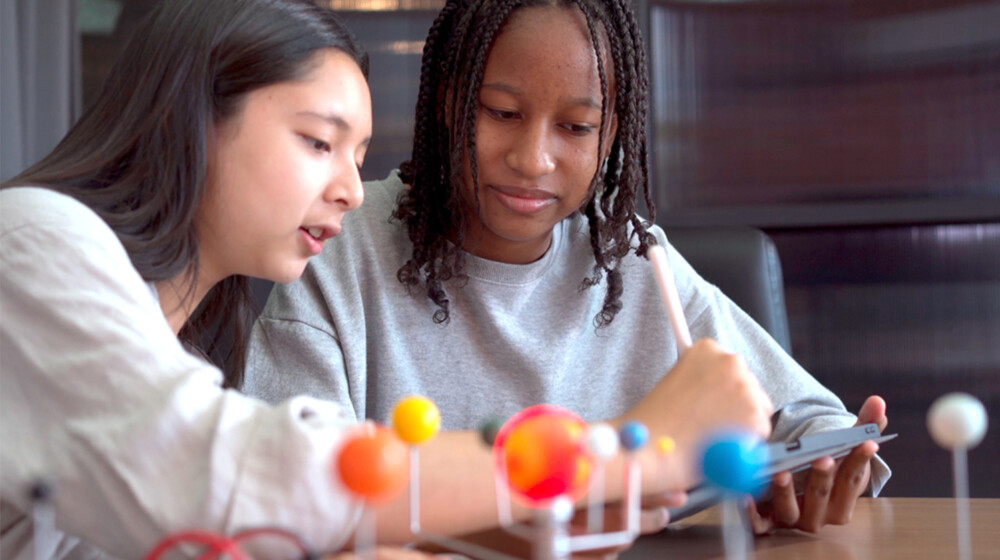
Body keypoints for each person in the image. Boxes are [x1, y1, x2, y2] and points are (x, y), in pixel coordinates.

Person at [245, 0, 891, 539]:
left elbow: (811, 418)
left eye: (577, 127)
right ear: (448, 101)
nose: (533, 158)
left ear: (612, 135)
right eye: (501, 112)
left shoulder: (634, 262)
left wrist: (816, 467)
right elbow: (284, 496)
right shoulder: (336, 248)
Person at [0, 0, 429, 558]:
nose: (352, 188)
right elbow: (233, 479)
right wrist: (557, 461)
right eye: (320, 142)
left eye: (358, 154)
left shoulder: (192, 355)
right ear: (194, 118)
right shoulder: (32, 243)